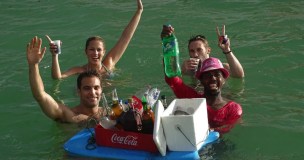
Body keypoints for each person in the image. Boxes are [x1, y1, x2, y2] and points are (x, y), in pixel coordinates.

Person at [46, 0, 143, 79]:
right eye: (92, 49)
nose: (95, 53)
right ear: (86, 52)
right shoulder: (80, 71)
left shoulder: (109, 63)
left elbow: (126, 37)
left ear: (104, 52)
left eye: (99, 50)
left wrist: (139, 11)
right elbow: (57, 77)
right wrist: (55, 56)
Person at [27, 36, 105, 124]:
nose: (92, 92)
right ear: (78, 92)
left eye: (96, 88)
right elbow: (40, 95)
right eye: (87, 88)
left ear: (101, 90)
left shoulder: (108, 113)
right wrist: (34, 65)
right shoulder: (69, 115)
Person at [164, 57, 242, 134]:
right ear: (201, 81)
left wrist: (209, 130)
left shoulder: (233, 108)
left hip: (220, 142)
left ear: (224, 80)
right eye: (208, 75)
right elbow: (173, 81)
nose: (213, 78)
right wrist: (168, 63)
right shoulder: (193, 98)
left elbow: (228, 127)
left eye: (217, 75)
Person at [161, 25, 244, 79]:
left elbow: (239, 75)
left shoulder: (221, 67)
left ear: (208, 50)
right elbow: (171, 77)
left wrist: (227, 50)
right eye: (192, 51)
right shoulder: (188, 70)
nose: (195, 55)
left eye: (199, 50)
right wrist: (167, 40)